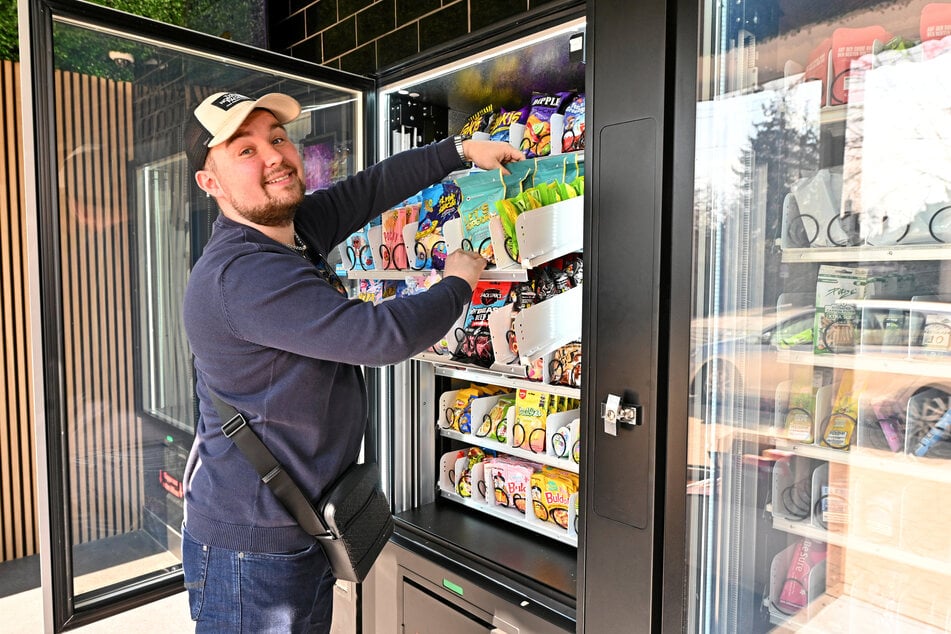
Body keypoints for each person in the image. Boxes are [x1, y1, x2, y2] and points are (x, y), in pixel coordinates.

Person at [179, 91, 523, 633]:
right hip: (256, 547)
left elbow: (366, 190)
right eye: (244, 151)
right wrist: (459, 281)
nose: (273, 156)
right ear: (211, 182)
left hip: (293, 526)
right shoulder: (242, 275)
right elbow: (380, 337)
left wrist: (459, 150)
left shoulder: (286, 234)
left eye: (275, 138)